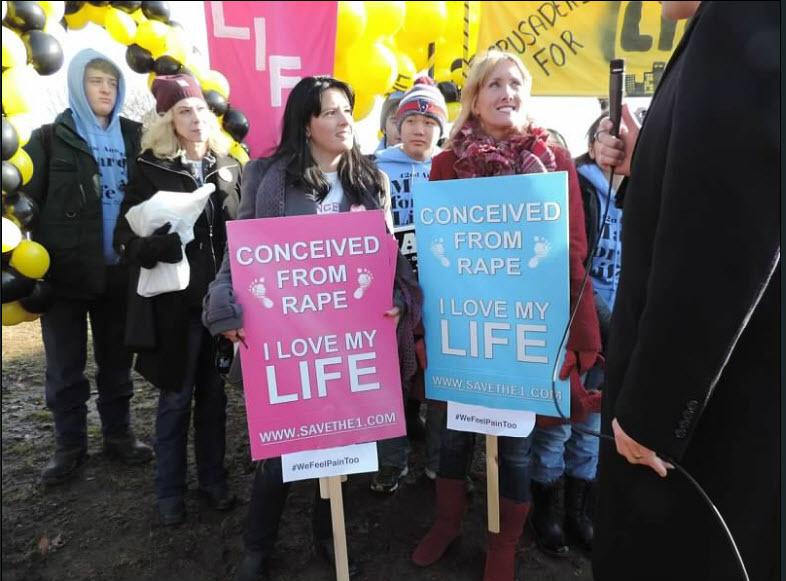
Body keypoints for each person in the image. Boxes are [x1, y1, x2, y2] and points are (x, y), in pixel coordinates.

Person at [201, 76, 422, 581]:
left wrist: (394, 300)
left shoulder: (372, 181)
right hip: (287, 341)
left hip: (347, 343)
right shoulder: (267, 177)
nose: (345, 120)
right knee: (280, 450)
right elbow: (242, 256)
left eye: (348, 110)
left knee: (340, 444)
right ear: (306, 123)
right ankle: (258, 546)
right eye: (331, 112)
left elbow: (386, 261)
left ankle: (329, 536)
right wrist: (224, 306)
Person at [591, 3, 779, 580]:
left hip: (710, 426)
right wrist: (644, 159)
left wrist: (654, 410)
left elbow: (725, 234)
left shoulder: (745, 19)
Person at [411, 50, 601, 581]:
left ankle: (504, 543)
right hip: (465, 326)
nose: (505, 92)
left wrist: (580, 330)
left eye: (515, 83)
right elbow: (435, 253)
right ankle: (448, 523)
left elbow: (573, 251)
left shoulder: (554, 160)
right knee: (451, 435)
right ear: (474, 95)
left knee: (515, 449)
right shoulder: (446, 164)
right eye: (493, 83)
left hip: (524, 334)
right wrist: (430, 329)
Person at [113, 74, 241, 526]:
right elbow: (123, 237)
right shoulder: (149, 168)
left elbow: (244, 232)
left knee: (213, 397)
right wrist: (149, 248)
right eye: (185, 111)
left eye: (202, 110)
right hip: (174, 308)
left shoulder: (228, 166)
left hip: (218, 307)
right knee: (174, 401)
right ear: (168, 119)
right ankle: (168, 492)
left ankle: (213, 480)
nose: (196, 118)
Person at [23, 48, 152, 486]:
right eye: (96, 81)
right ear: (79, 85)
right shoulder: (49, 138)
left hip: (120, 272)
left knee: (117, 362)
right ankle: (69, 448)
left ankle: (119, 436)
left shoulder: (137, 136)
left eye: (112, 83)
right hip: (65, 275)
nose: (105, 89)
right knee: (64, 368)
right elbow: (24, 204)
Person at [528, 112, 623, 556]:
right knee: (557, 427)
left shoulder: (649, 190)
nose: (619, 141)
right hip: (577, 326)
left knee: (593, 428)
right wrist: (604, 324)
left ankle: (578, 513)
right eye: (609, 132)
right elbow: (567, 260)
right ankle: (544, 516)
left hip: (622, 333)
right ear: (595, 141)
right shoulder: (577, 183)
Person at [371, 77, 446, 493]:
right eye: (412, 119)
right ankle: (392, 463)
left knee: (440, 380)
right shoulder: (374, 167)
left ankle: (437, 464)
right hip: (392, 293)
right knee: (391, 380)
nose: (420, 128)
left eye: (430, 120)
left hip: (440, 292)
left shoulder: (448, 168)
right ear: (397, 125)